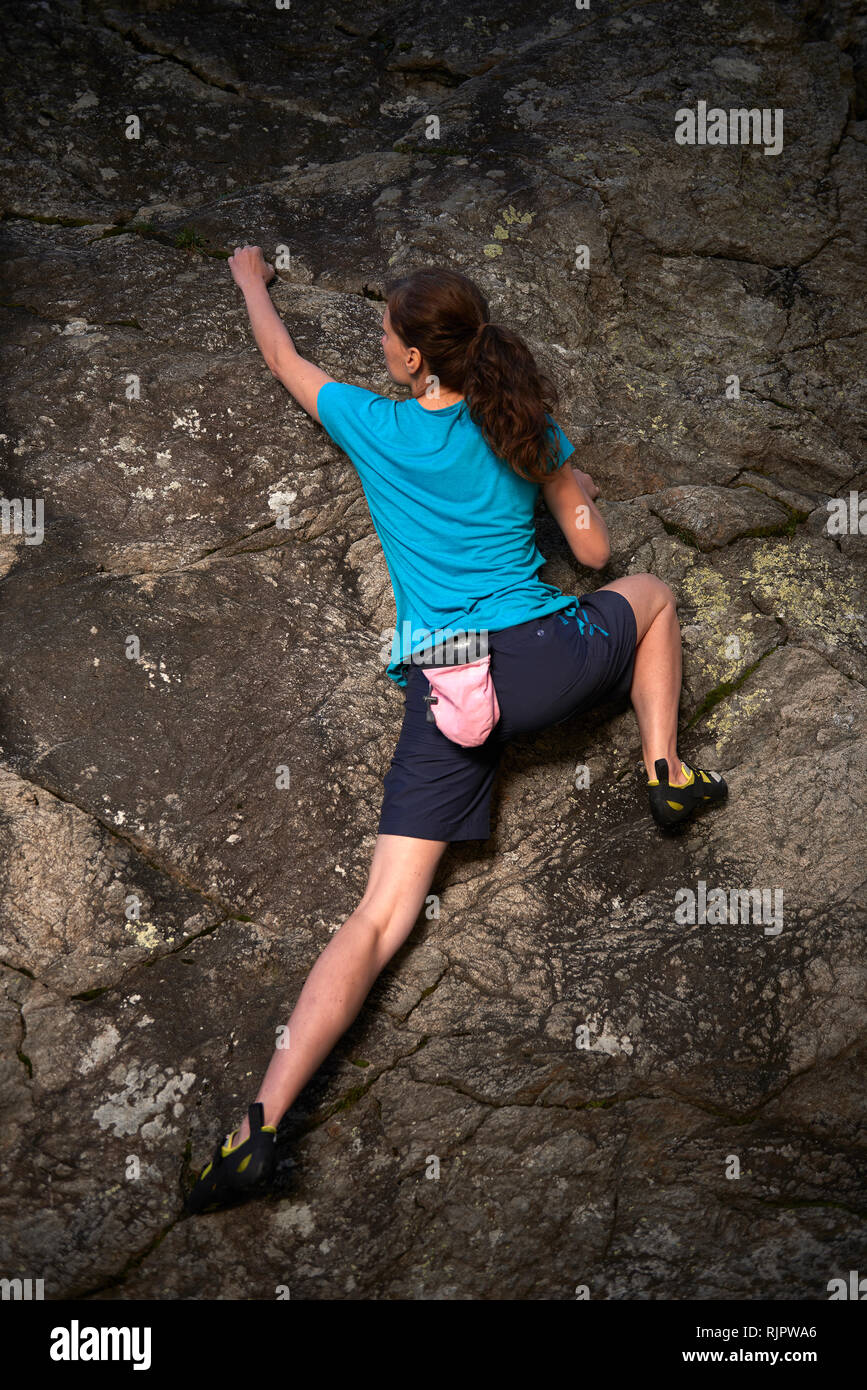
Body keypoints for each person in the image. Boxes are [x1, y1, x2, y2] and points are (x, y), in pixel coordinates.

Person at [185, 254, 727, 1214]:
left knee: (380, 916)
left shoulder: (375, 423)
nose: (380, 349)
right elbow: (596, 553)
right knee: (649, 598)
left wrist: (250, 282)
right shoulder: (519, 423)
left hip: (449, 694)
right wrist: (572, 474)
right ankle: (664, 765)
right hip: (544, 662)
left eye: (387, 337)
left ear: (408, 360)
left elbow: (281, 357)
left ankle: (258, 1126)